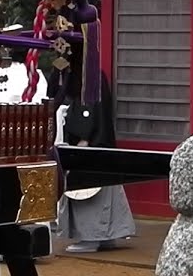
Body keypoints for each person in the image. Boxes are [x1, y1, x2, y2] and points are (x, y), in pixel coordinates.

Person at [52, 69, 136, 253]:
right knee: (106, 186)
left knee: (91, 188)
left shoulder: (90, 74)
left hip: (92, 141)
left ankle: (91, 237)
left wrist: (86, 135)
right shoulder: (78, 71)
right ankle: (108, 236)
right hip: (98, 139)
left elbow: (92, 107)